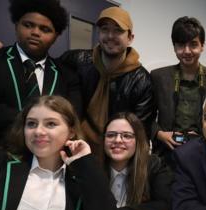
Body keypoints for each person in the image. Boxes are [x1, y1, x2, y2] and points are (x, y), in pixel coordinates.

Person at [0, 95, 115, 210]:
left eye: (50, 124)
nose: (38, 131)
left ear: (71, 132)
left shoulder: (81, 173)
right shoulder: (0, 163)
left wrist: (84, 163)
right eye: (31, 124)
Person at [59, 7, 154, 160]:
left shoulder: (142, 81)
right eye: (104, 29)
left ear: (130, 38)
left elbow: (140, 132)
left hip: (115, 156)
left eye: (118, 30)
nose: (110, 36)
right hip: (75, 151)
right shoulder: (76, 61)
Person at [0, 0, 81, 148]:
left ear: (56, 36)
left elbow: (71, 117)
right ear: (16, 25)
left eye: (45, 29)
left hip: (48, 160)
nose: (35, 32)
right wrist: (33, 119)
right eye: (28, 25)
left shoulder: (67, 75)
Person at [150, 16, 206, 163]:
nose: (187, 51)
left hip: (204, 155)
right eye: (181, 45)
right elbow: (146, 116)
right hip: (166, 155)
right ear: (174, 46)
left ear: (202, 45)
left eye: (193, 44)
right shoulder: (158, 77)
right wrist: (160, 134)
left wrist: (204, 134)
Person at [103, 112, 173, 210]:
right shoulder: (94, 168)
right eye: (111, 135)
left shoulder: (154, 165)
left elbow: (166, 207)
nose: (117, 140)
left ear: (138, 140)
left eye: (126, 136)